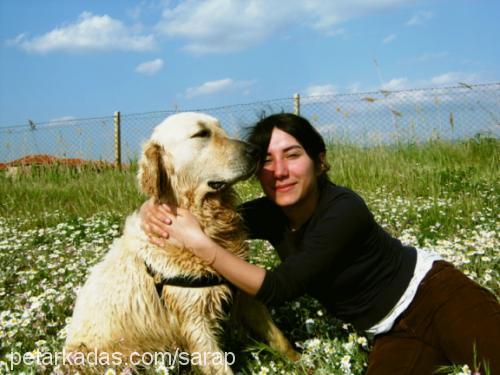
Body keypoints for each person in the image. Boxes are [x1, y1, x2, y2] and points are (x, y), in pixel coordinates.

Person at [140, 113, 500, 374]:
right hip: (387, 333)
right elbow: (211, 220)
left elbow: (280, 287)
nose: (279, 171)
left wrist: (201, 246)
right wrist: (152, 207)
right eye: (266, 160)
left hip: (435, 296)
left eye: (293, 155)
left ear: (319, 161)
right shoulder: (270, 213)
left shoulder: (345, 210)